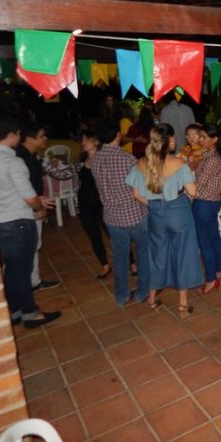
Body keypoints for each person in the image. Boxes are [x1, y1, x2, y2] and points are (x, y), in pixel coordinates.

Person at [0, 118, 61, 328]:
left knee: (11, 270)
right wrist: (39, 207)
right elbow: (28, 197)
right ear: (11, 135)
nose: (19, 137)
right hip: (19, 220)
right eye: (17, 133)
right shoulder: (13, 161)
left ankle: (15, 311)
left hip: (0, 219)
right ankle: (30, 314)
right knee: (23, 271)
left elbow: (2, 191)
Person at [126, 124, 204, 317]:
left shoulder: (141, 163)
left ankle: (152, 299)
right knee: (184, 253)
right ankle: (183, 305)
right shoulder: (179, 164)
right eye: (174, 137)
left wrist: (154, 204)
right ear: (169, 140)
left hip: (156, 214)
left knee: (157, 255)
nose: (176, 140)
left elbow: (136, 194)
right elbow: (193, 191)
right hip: (178, 211)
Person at [93, 122, 151, 306]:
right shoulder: (127, 159)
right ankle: (142, 292)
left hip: (111, 216)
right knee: (143, 254)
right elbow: (139, 189)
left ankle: (121, 295)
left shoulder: (95, 158)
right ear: (118, 135)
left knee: (119, 257)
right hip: (134, 214)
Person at [45, 130, 114, 279]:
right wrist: (47, 165)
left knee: (114, 235)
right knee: (94, 237)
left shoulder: (106, 160)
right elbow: (63, 175)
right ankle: (105, 265)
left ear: (96, 141)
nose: (83, 143)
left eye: (86, 140)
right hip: (84, 206)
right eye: (82, 140)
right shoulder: (79, 162)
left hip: (103, 205)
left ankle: (131, 262)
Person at [16, 122, 59, 291]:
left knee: (34, 244)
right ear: (29, 138)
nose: (45, 139)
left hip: (33, 204)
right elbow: (24, 188)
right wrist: (38, 207)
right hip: (28, 206)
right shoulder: (21, 158)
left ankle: (34, 280)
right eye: (41, 136)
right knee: (28, 246)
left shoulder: (31, 155)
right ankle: (25, 283)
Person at [193, 124, 221, 294]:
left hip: (204, 204)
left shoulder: (212, 159)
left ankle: (210, 278)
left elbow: (197, 187)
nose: (200, 140)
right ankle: (220, 269)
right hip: (212, 202)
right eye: (200, 136)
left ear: (214, 139)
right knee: (214, 236)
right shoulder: (212, 155)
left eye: (204, 137)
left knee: (204, 241)